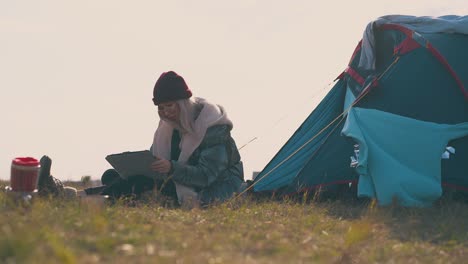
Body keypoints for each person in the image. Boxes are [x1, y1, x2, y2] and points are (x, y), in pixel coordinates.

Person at [97, 71, 245, 207]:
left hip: (212, 187)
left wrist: (172, 168)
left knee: (139, 183)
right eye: (160, 108)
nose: (165, 112)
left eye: (169, 105)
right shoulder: (168, 127)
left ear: (182, 103)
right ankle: (97, 197)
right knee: (111, 175)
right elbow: (156, 158)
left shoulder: (213, 129)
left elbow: (206, 176)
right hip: (178, 180)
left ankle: (93, 198)